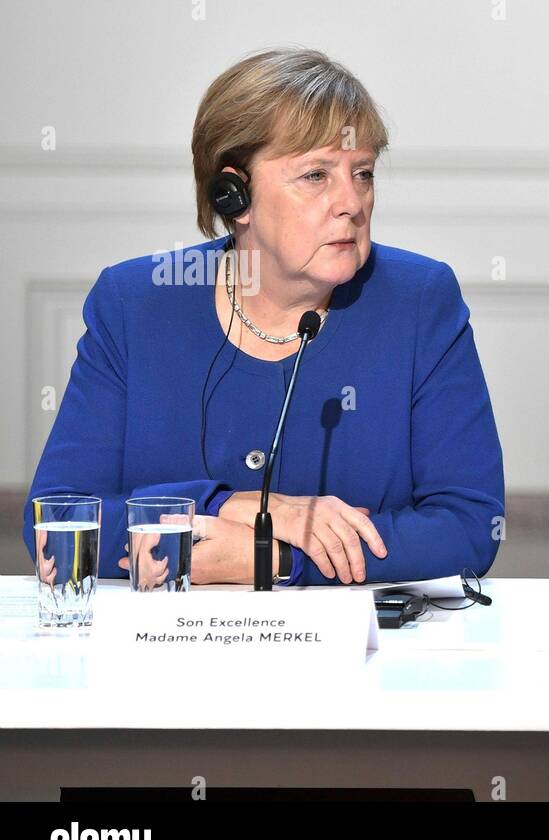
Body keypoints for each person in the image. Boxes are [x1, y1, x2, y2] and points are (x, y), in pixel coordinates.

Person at [24, 48, 505, 586]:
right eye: (316, 175)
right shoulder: (135, 303)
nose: (353, 201)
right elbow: (57, 524)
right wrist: (231, 507)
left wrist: (276, 560)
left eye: (363, 173)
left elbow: (469, 527)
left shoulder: (419, 301)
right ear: (235, 196)